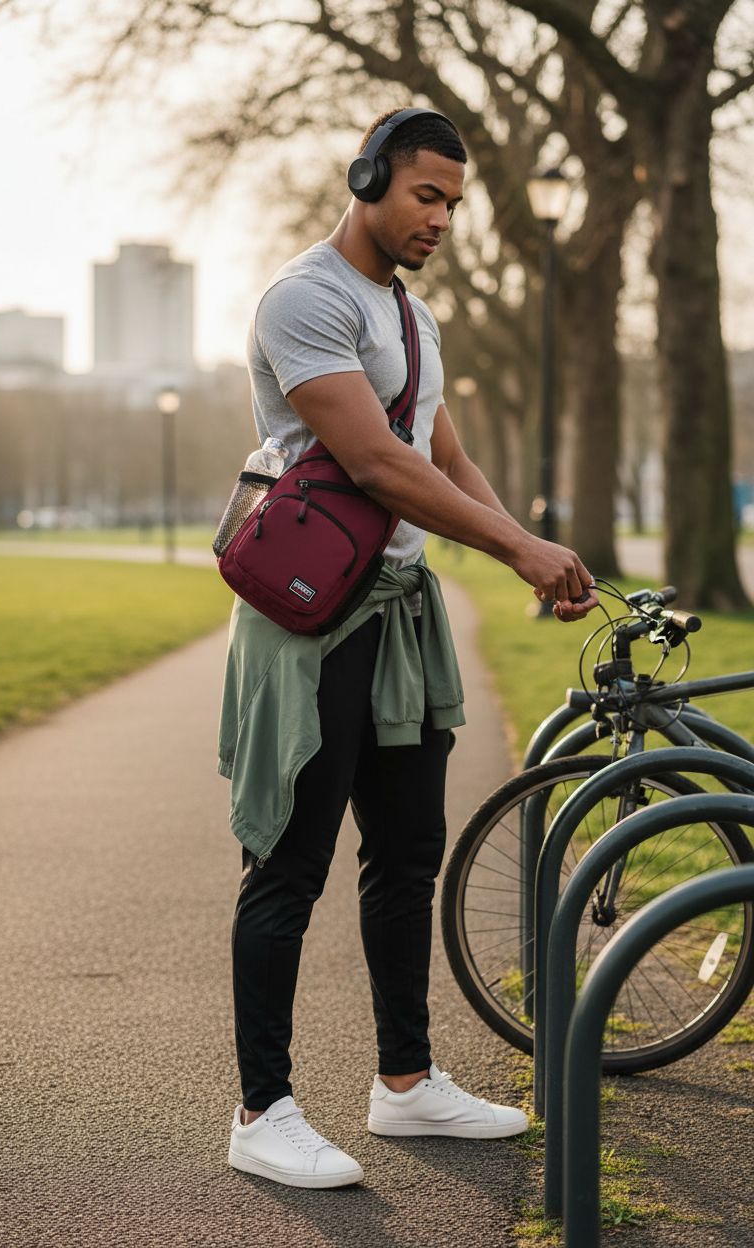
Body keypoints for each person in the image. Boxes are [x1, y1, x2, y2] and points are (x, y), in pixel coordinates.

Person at [219, 106, 599, 1190]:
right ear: (368, 179)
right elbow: (377, 465)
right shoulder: (306, 299)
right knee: (288, 868)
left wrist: (528, 550)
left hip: (399, 616)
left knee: (406, 855)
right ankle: (262, 1111)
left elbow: (445, 457)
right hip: (310, 622)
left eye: (453, 204)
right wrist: (519, 548)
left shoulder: (413, 316)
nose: (441, 218)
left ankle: (405, 1082)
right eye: (426, 195)